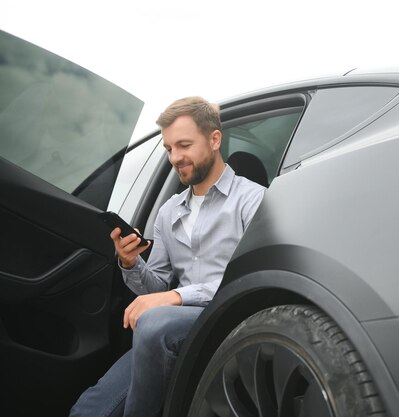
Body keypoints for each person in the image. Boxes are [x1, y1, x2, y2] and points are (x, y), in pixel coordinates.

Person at [70, 96, 266, 417]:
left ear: (214, 139)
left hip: (229, 319)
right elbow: (156, 290)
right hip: (173, 325)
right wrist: (131, 263)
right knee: (87, 410)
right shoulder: (168, 211)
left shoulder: (254, 200)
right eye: (169, 148)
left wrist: (175, 297)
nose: (175, 157)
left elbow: (249, 281)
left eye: (184, 145)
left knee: (154, 322)